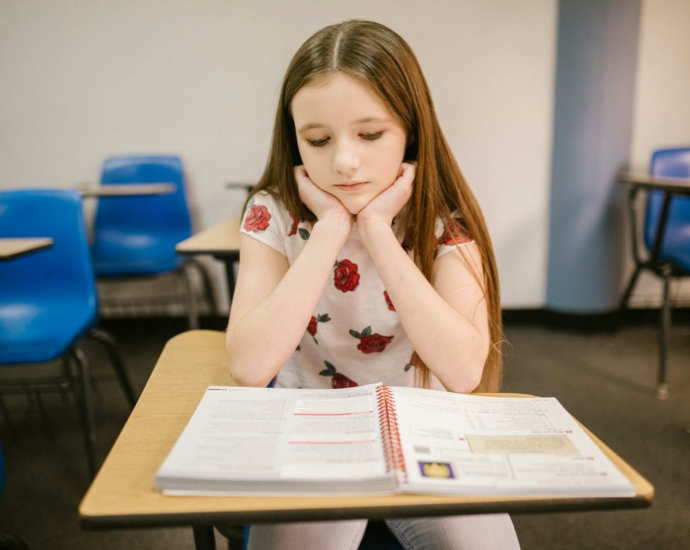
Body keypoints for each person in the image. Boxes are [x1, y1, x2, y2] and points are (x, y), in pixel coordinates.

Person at [225, 19, 520, 550]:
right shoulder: (271, 213)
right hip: (316, 426)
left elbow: (462, 369)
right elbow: (250, 364)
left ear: (411, 130)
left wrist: (378, 230)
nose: (343, 161)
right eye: (317, 140)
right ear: (294, 140)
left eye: (370, 134)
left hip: (426, 427)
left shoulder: (444, 219)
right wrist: (332, 229)